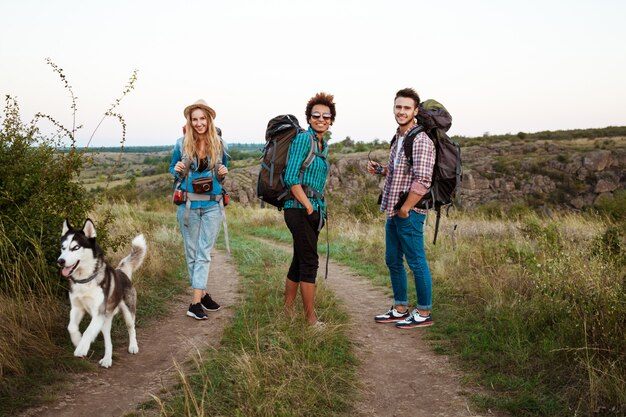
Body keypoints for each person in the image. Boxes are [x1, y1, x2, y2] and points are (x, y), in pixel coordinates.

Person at [368, 88, 435, 328]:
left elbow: (423, 180)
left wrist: (406, 209)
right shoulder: (399, 137)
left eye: (407, 108)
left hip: (409, 213)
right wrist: (382, 170)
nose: (402, 111)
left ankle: (424, 313)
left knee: (416, 262)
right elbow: (401, 171)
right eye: (398, 107)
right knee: (393, 260)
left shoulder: (420, 139)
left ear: (415, 111)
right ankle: (400, 308)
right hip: (392, 211)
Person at [170, 99, 229, 320]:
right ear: (189, 121)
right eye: (194, 119)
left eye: (202, 118)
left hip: (213, 204)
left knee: (203, 253)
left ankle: (195, 303)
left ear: (209, 119)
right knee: (192, 253)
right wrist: (175, 169)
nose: (198, 123)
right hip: (188, 205)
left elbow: (223, 173)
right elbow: (173, 169)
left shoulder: (220, 144)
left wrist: (222, 173)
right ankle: (201, 295)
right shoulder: (181, 144)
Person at [283, 92, 335, 325]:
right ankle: (311, 321)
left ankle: (287, 311)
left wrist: (316, 210)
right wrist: (308, 207)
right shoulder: (305, 139)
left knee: (299, 259)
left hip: (311, 210)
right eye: (316, 115)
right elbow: (291, 176)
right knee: (310, 262)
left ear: (331, 120)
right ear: (309, 118)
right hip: (299, 208)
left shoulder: (322, 144)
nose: (321, 119)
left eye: (326, 115)